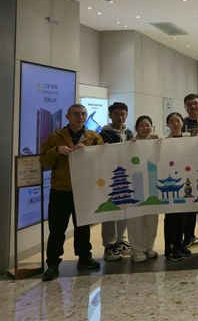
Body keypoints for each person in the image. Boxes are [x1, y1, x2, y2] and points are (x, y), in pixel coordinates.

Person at [40, 104, 103, 281]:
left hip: (84, 189)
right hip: (61, 190)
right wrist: (56, 151)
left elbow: (102, 159)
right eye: (76, 114)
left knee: (83, 227)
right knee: (57, 229)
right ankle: (53, 264)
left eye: (83, 114)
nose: (80, 117)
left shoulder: (93, 137)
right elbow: (44, 161)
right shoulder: (55, 137)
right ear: (68, 116)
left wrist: (89, 152)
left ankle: (84, 257)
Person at [99, 101, 134, 262]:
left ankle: (121, 240)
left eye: (123, 114)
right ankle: (109, 244)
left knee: (124, 209)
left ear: (126, 115)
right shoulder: (103, 134)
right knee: (110, 210)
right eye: (116, 114)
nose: (120, 117)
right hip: (109, 177)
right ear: (110, 115)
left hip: (126, 176)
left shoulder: (129, 133)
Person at [126, 115, 159, 262]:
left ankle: (148, 246)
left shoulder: (157, 142)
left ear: (152, 127)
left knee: (152, 217)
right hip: (135, 183)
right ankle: (136, 250)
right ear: (136, 128)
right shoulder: (130, 144)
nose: (145, 128)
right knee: (135, 218)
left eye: (148, 125)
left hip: (152, 184)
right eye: (142, 125)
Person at [181, 93, 198, 248]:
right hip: (187, 169)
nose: (193, 106)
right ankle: (188, 236)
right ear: (185, 107)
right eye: (189, 104)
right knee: (189, 204)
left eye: (195, 103)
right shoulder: (182, 123)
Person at [164, 112, 192, 261]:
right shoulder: (164, 142)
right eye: (172, 121)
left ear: (182, 122)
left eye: (178, 121)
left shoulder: (188, 139)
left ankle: (179, 244)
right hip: (170, 184)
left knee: (182, 216)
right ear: (167, 125)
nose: (175, 124)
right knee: (171, 217)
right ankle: (170, 249)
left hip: (185, 182)